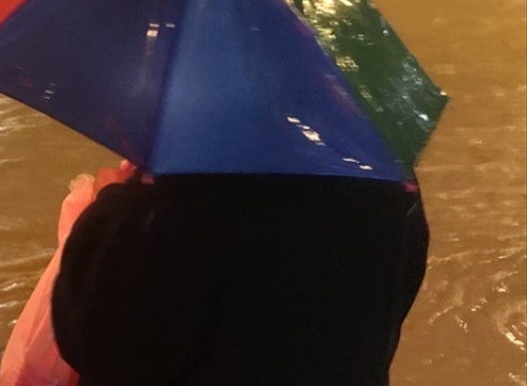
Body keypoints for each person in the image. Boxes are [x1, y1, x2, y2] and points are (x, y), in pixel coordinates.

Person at [51, 162, 428, 385]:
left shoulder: (171, 202)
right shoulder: (390, 178)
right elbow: (395, 297)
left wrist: (109, 205)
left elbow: (95, 343)